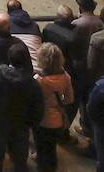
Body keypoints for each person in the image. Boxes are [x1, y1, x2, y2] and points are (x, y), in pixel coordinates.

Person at [0, 42, 44, 172]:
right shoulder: (32, 83)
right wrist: (31, 123)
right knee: (20, 159)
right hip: (21, 125)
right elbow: (38, 108)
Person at [35, 41, 74, 172]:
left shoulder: (39, 80)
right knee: (51, 148)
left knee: (41, 147)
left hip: (41, 119)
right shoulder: (66, 76)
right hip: (57, 120)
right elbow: (69, 99)